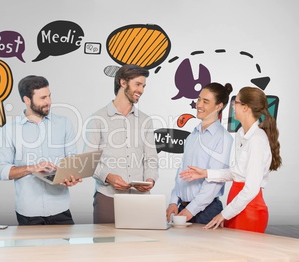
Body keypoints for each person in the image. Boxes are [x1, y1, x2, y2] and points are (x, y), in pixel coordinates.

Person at [180, 87, 282, 233]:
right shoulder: (241, 134)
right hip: (236, 205)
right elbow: (237, 173)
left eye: (236, 102)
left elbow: (251, 189)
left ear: (245, 108)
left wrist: (224, 214)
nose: (233, 106)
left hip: (250, 209)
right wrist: (205, 173)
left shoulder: (256, 140)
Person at [0, 75, 81, 225]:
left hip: (61, 209)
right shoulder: (9, 130)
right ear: (27, 100)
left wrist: (71, 176)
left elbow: (72, 159)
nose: (49, 101)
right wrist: (32, 168)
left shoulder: (64, 123)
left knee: (64, 249)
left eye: (49, 96)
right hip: (28, 212)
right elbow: (1, 171)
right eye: (43, 98)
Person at [84, 64, 159, 224]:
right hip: (108, 199)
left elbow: (151, 158)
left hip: (141, 200)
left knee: (141, 246)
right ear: (123, 82)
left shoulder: (145, 120)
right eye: (138, 84)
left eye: (143, 86)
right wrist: (108, 177)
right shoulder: (98, 118)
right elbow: (88, 161)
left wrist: (150, 179)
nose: (142, 90)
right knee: (106, 247)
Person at [166, 83, 234, 224]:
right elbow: (182, 170)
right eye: (199, 99)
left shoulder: (223, 138)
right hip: (183, 207)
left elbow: (215, 182)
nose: (199, 104)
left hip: (205, 212)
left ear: (218, 106)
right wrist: (174, 201)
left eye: (205, 101)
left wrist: (191, 210)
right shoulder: (193, 134)